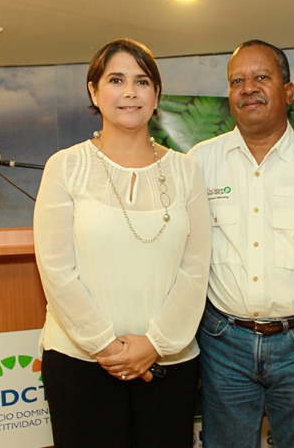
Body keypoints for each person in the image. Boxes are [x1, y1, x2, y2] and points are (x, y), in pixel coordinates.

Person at [33, 38, 211, 447]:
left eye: (142, 81)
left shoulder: (186, 172)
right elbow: (56, 269)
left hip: (168, 361)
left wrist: (155, 343)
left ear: (156, 94)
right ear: (94, 91)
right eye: (116, 79)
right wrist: (106, 346)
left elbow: (195, 268)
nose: (130, 92)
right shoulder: (66, 166)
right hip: (80, 361)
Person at [188, 39, 294, 448]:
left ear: (289, 91)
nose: (248, 88)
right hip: (223, 341)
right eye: (237, 81)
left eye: (262, 77)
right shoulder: (197, 163)